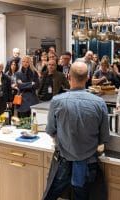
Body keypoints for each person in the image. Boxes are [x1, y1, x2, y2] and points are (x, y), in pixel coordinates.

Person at [43, 62, 110, 200]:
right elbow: (104, 137)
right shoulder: (99, 103)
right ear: (88, 77)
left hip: (63, 161)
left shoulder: (57, 101)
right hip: (88, 162)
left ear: (69, 77)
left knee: (50, 195)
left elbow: (50, 130)